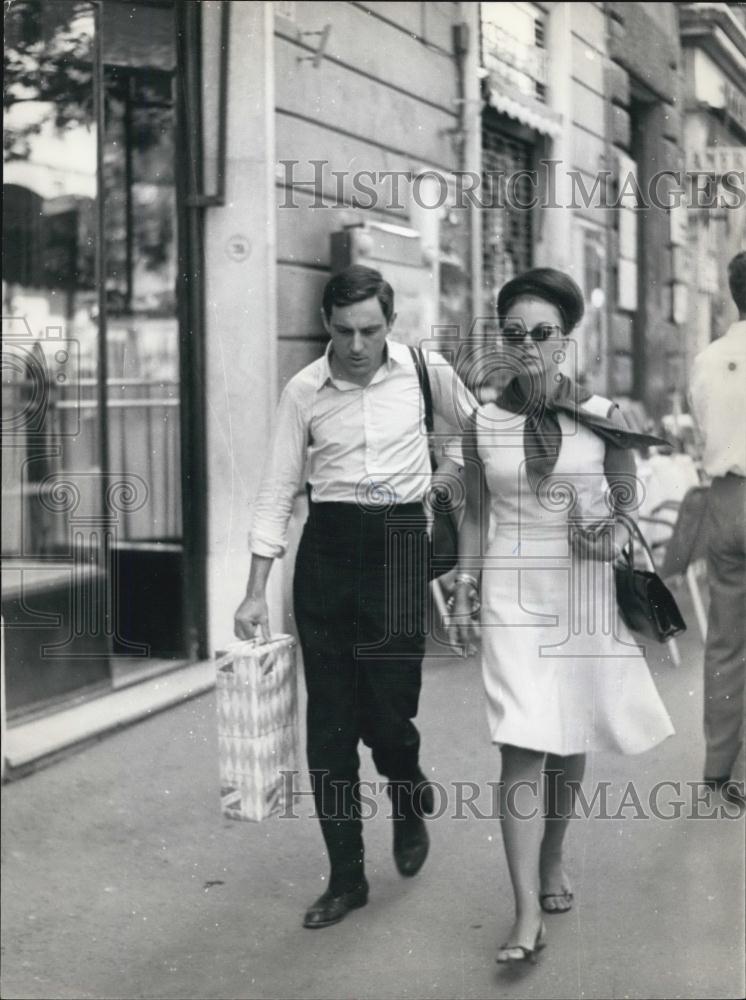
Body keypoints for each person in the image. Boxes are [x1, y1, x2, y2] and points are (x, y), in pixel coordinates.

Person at [234, 265, 472, 929]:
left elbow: (479, 432)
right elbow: (278, 488)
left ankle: (406, 784)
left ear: (389, 323)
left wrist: (445, 475)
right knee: (330, 730)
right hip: (328, 554)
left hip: (398, 548)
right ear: (327, 326)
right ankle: (346, 879)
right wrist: (256, 590)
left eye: (370, 330)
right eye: (344, 331)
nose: (359, 345)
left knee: (388, 716)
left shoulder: (425, 373)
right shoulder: (304, 390)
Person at [452, 268, 675, 965]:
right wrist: (464, 583)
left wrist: (606, 533)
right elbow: (475, 511)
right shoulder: (484, 421)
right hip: (512, 596)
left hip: (580, 590)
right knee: (522, 740)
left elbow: (626, 500)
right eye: (513, 334)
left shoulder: (603, 414)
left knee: (569, 728)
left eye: (541, 334)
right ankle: (525, 915)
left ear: (566, 341)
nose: (527, 347)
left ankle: (553, 853)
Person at [689, 250, 746, 812]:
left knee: (727, 639)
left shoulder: (709, 358)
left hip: (726, 500)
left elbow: (701, 424)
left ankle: (719, 763)